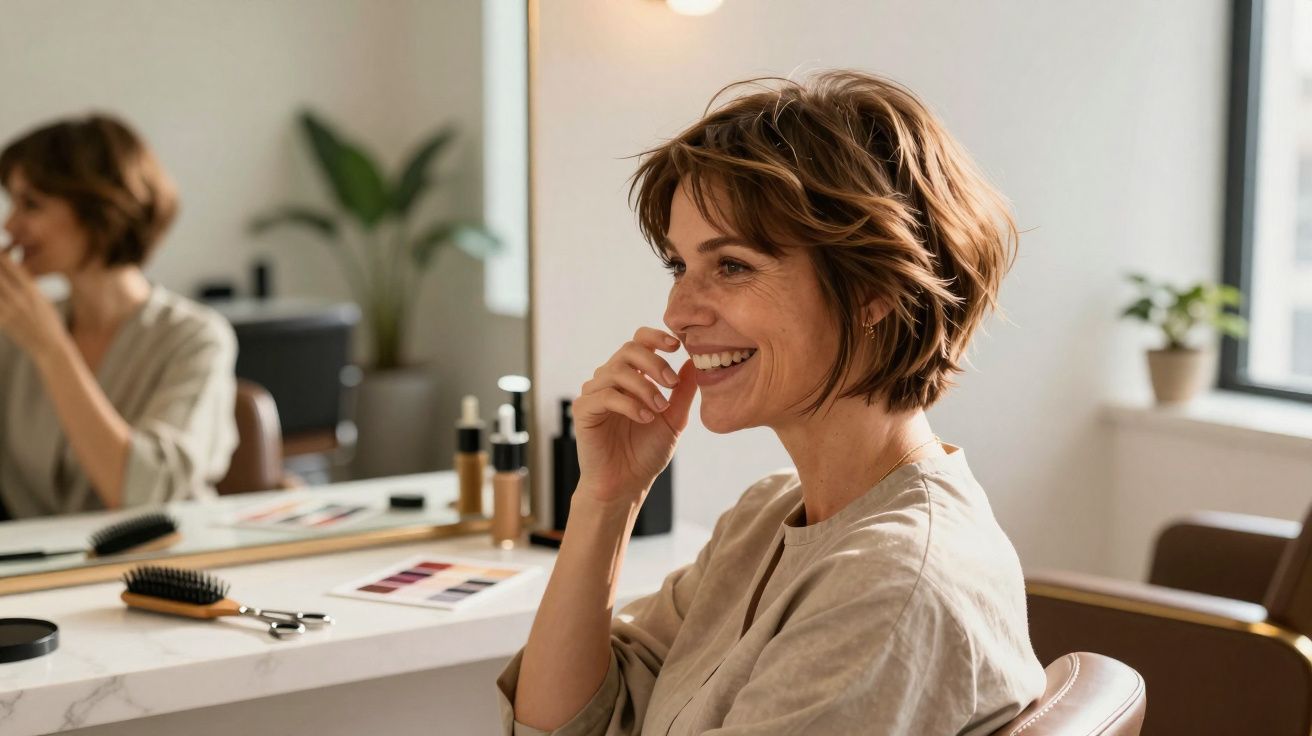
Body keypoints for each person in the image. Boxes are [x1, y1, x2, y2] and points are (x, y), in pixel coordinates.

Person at [497, 71, 1047, 734]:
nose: (678, 313)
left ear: (872, 289)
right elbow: (570, 723)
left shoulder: (887, 584)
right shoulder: (766, 518)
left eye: (730, 265)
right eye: (679, 266)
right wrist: (606, 501)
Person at [0, 113, 237, 520]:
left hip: (159, 570)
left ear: (99, 208)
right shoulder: (13, 335)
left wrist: (52, 349)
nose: (10, 224)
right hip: (36, 576)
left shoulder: (195, 339)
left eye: (31, 204)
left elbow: (141, 495)